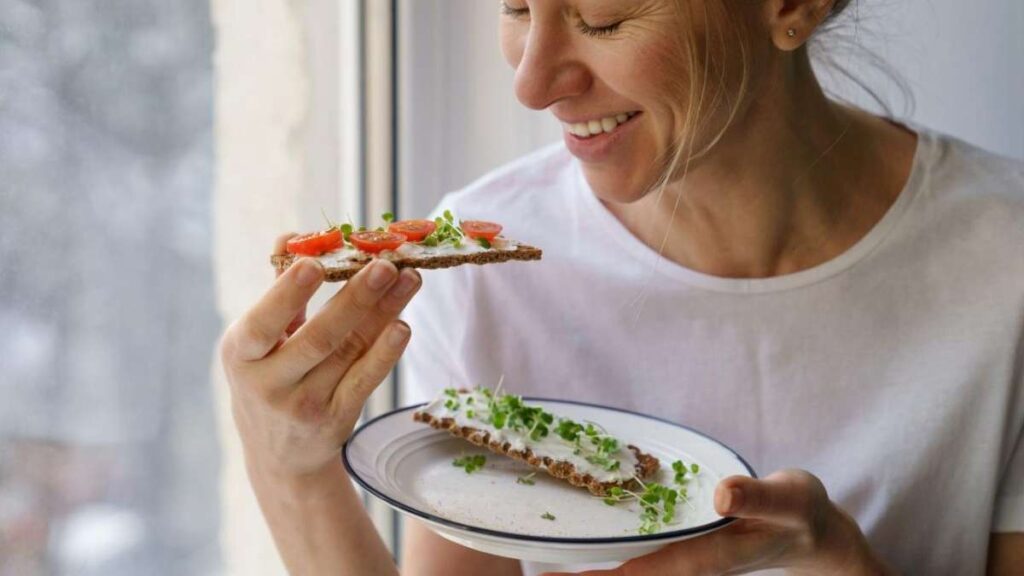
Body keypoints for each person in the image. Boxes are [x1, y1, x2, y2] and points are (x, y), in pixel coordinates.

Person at [220, 0, 1024, 574]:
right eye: (515, 8)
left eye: (602, 19)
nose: (532, 85)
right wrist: (288, 468)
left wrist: (838, 562)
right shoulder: (488, 271)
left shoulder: (1005, 265)